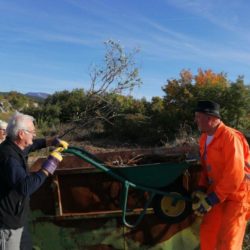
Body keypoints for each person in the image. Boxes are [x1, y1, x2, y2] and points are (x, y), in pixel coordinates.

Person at [0, 112, 69, 250]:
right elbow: (25, 187)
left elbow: (33, 145)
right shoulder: (8, 157)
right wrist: (49, 166)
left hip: (19, 219)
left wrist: (51, 141)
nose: (34, 135)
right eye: (32, 132)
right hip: (8, 225)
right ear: (21, 134)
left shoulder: (16, 146)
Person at [192, 100, 250, 250]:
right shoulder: (204, 138)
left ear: (210, 118)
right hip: (218, 192)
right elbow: (206, 167)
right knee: (209, 233)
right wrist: (201, 187)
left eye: (198, 116)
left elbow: (235, 174)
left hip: (237, 195)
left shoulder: (230, 137)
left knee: (229, 241)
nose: (196, 120)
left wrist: (213, 198)